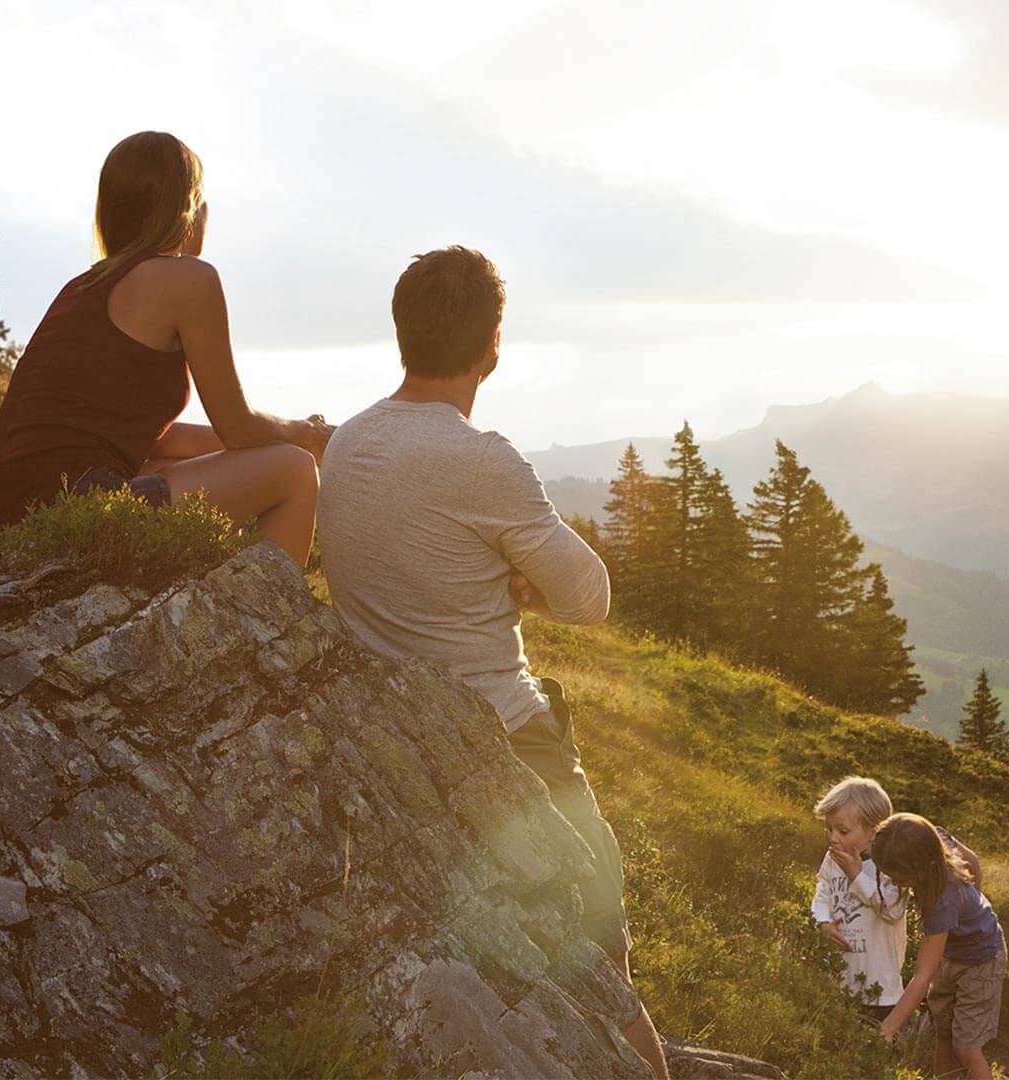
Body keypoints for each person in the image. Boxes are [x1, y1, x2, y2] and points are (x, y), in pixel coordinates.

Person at [314, 245, 669, 1079]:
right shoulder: (481, 459)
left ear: (402, 332)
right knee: (605, 959)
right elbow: (590, 598)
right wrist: (526, 590)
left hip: (391, 752)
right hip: (507, 743)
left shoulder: (349, 444)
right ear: (491, 347)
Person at [0, 131, 331, 563]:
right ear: (188, 211)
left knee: (167, 468)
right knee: (293, 470)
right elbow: (239, 428)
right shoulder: (189, 280)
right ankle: (270, 621)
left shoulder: (84, 287)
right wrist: (305, 437)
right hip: (60, 518)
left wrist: (279, 438)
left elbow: (152, 442)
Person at [871, 813, 1005, 1080]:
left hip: (982, 961)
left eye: (900, 877)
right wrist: (972, 901)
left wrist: (889, 1028)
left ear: (924, 867)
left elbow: (923, 975)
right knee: (944, 1032)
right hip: (952, 952)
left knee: (966, 1048)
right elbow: (974, 862)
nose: (895, 883)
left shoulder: (942, 902)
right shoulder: (936, 839)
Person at [809, 776, 908, 1022]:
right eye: (829, 829)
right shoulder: (832, 859)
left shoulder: (889, 866)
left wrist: (855, 874)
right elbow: (822, 891)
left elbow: (891, 911)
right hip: (841, 978)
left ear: (873, 832)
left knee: (875, 1046)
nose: (833, 838)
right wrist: (821, 922)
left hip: (880, 988)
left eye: (843, 831)